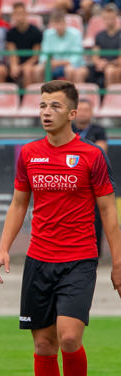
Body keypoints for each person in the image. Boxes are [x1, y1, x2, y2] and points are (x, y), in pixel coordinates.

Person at [0, 80, 121, 376]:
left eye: (55, 106)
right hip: (38, 261)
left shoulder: (91, 156)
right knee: (43, 345)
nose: (46, 111)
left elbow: (109, 210)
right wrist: (4, 249)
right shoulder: (29, 153)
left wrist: (117, 262)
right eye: (42, 105)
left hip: (79, 260)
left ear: (73, 113)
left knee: (68, 337)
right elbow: (18, 205)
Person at [73, 98, 110, 258]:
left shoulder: (98, 130)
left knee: (96, 217)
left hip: (94, 181)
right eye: (80, 110)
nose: (83, 113)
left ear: (91, 112)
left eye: (86, 110)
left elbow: (101, 152)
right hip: (73, 181)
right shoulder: (67, 128)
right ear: (73, 112)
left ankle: (95, 254)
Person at [30, 10, 85, 84]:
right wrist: (48, 62)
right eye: (56, 23)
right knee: (37, 70)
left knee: (69, 70)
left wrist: (57, 63)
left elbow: (76, 57)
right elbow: (44, 55)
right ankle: (44, 93)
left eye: (61, 23)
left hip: (71, 65)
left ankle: (69, 94)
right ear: (52, 24)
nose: (59, 26)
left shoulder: (76, 34)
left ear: (65, 23)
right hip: (53, 64)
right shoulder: (48, 34)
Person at [81, 4, 121, 88]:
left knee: (110, 71)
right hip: (101, 66)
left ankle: (110, 98)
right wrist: (98, 62)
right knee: (82, 71)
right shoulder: (99, 35)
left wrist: (109, 63)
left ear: (115, 17)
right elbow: (95, 55)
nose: (109, 20)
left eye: (111, 18)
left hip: (115, 66)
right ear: (103, 18)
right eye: (106, 18)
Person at [5, 2, 42, 87]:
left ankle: (27, 98)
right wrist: (14, 66)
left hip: (31, 63)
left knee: (27, 71)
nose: (19, 16)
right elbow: (12, 53)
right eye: (16, 13)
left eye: (21, 13)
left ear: (26, 14)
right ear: (13, 15)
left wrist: (24, 66)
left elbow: (35, 56)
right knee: (0, 71)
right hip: (18, 64)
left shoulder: (35, 31)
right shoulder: (11, 33)